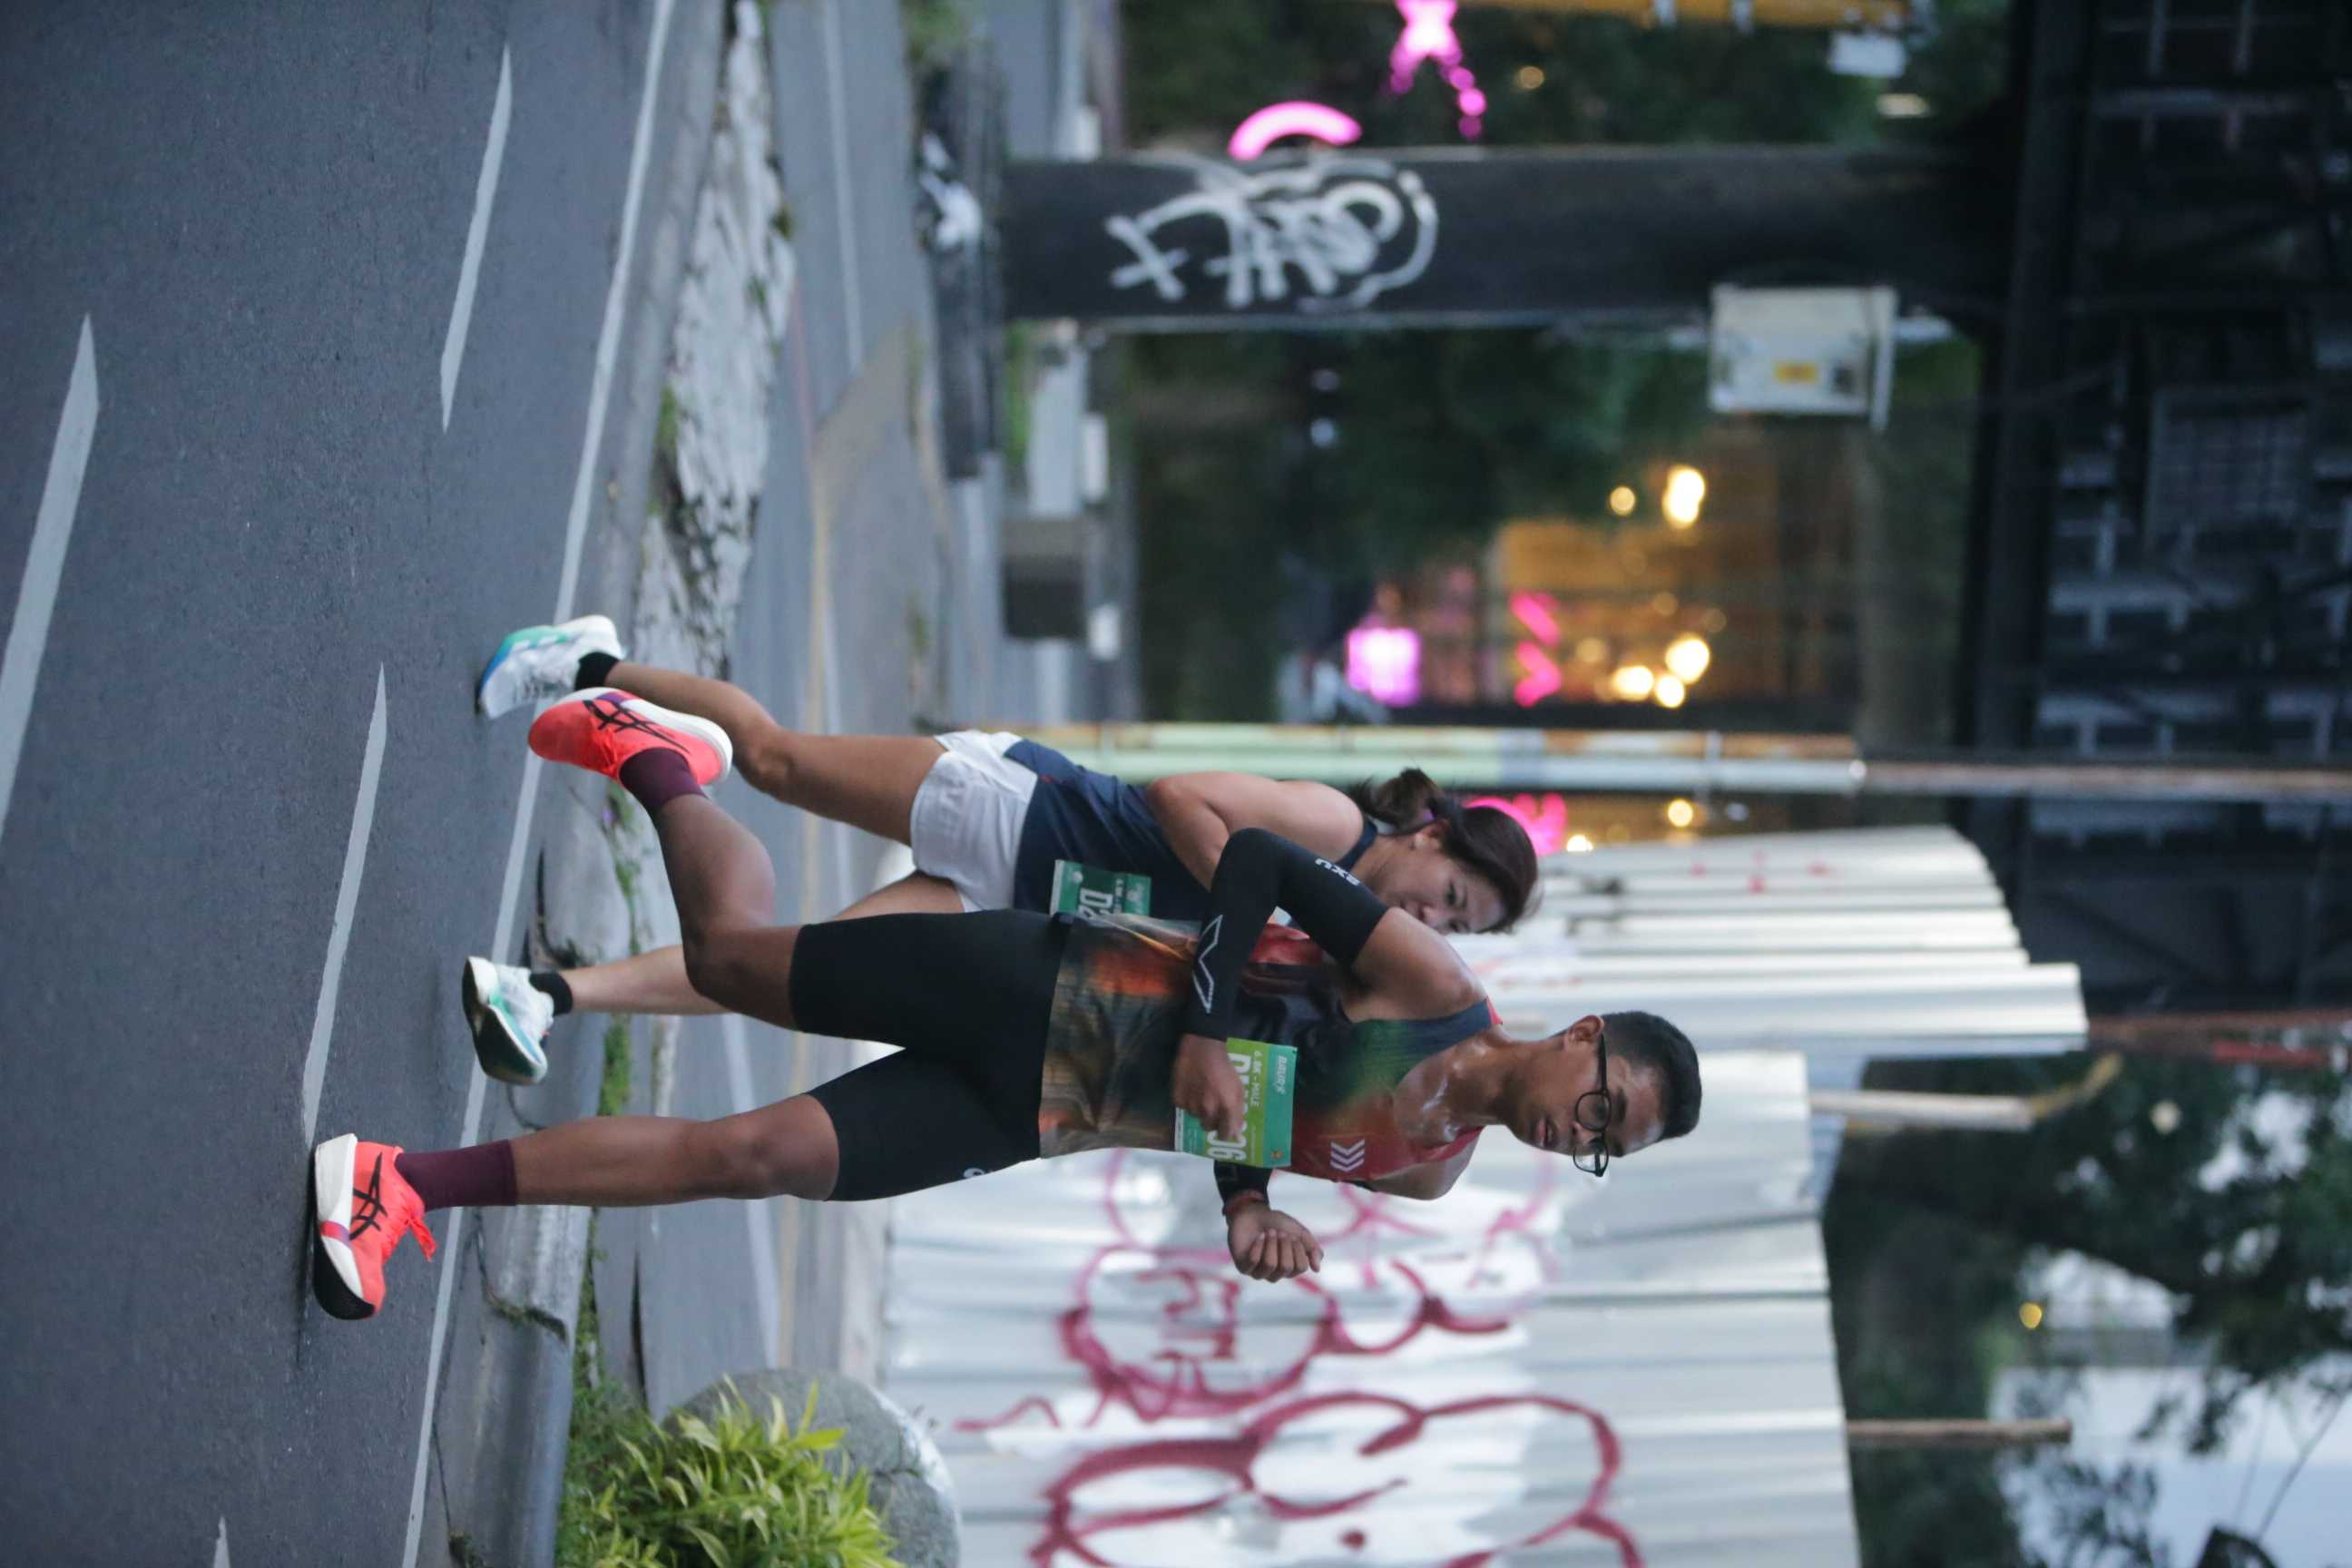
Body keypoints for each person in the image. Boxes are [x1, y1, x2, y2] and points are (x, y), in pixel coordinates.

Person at [310, 689, 1700, 1322]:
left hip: (1045, 1112)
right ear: (1583, 1038)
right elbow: (1266, 867)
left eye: (1603, 1148)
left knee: (753, 1156)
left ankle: (398, 1183)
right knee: (730, 961)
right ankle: (658, 762)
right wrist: (1201, 1030)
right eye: (1601, 1108)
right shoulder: (1436, 987)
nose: (1575, 1135)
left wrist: (1246, 1209)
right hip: (1047, 979)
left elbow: (1257, 1109)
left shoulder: (1427, 1172)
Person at [459, 615, 1540, 1085]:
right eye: (1452, 895)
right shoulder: (1332, 830)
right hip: (1015, 812)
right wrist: (1242, 900)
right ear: (1431, 834)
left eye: (1458, 928)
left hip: (1013, 906)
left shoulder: (1339, 936)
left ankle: (546, 995)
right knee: (777, 762)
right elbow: (1179, 796)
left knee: (778, 973)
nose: (1435, 921)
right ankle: (589, 663)